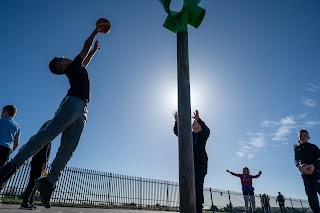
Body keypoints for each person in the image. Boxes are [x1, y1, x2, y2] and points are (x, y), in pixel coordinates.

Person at [0, 24, 104, 208]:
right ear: (62, 64)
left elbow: (86, 58)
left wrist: (94, 51)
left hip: (83, 108)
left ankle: (48, 182)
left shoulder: (77, 68)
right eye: (64, 57)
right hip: (72, 103)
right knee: (46, 135)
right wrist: (94, 32)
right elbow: (84, 49)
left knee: (68, 148)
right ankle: (11, 167)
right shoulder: (72, 67)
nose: (67, 57)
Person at [173, 110, 210, 213]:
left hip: (201, 164)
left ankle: (198, 208)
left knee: (198, 185)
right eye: (193, 123)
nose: (193, 123)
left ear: (199, 127)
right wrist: (177, 121)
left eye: (195, 122)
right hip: (189, 164)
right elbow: (178, 132)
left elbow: (207, 130)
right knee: (186, 184)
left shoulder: (203, 135)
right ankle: (185, 205)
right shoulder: (189, 135)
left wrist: (199, 119)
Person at [294, 129, 320, 213]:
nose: (302, 137)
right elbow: (296, 160)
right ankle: (315, 211)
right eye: (300, 136)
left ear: (308, 137)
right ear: (298, 138)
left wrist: (313, 165)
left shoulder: (313, 147)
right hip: (305, 175)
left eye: (304, 135)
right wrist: (299, 166)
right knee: (310, 194)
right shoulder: (297, 149)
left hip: (316, 173)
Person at [20, 142, 51, 210]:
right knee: (32, 182)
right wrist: (44, 162)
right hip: (38, 162)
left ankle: (30, 201)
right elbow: (44, 151)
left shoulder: (46, 139)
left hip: (36, 161)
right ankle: (25, 202)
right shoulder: (47, 139)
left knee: (35, 183)